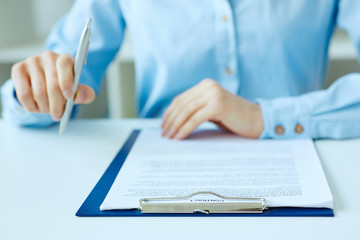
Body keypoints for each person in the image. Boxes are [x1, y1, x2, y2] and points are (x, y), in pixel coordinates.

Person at [1, 0, 360, 140]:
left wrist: (266, 116)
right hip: (155, 167)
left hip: (295, 158)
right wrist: (36, 91)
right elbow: (58, 75)